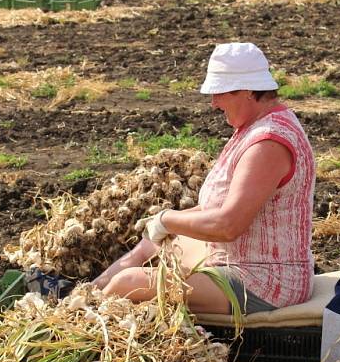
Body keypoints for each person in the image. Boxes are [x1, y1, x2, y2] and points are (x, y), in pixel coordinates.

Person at [94, 42, 316, 314]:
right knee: (149, 246)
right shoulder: (253, 127)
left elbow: (227, 225)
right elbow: (218, 210)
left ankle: (77, 324)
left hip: (264, 281)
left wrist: (166, 219)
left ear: (246, 91)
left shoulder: (267, 144)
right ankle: (77, 302)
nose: (213, 103)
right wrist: (165, 227)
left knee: (127, 283)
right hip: (236, 260)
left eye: (219, 93)